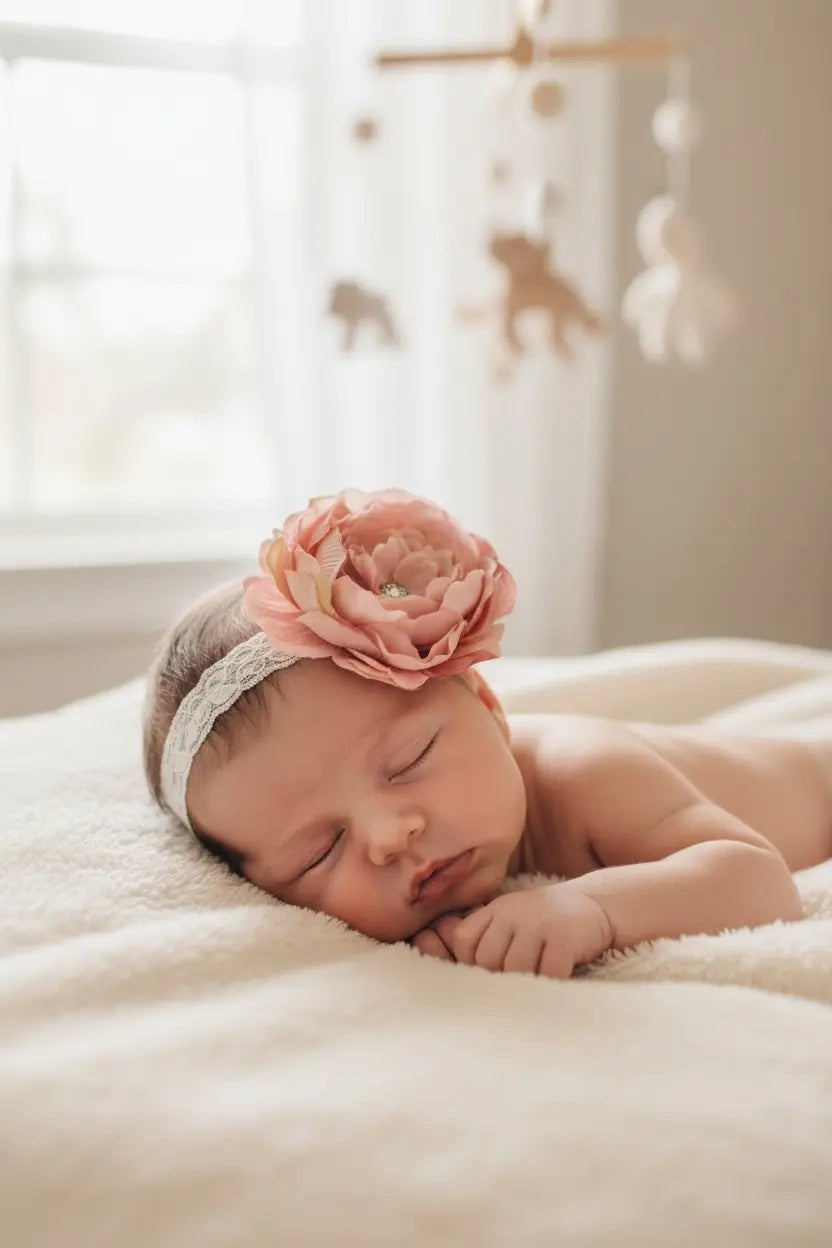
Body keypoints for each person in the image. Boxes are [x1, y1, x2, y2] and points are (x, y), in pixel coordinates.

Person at [143, 488, 832, 979]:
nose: (389, 836)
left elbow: (758, 880)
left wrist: (589, 909)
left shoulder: (585, 770)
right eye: (320, 852)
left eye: (410, 760)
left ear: (487, 703)